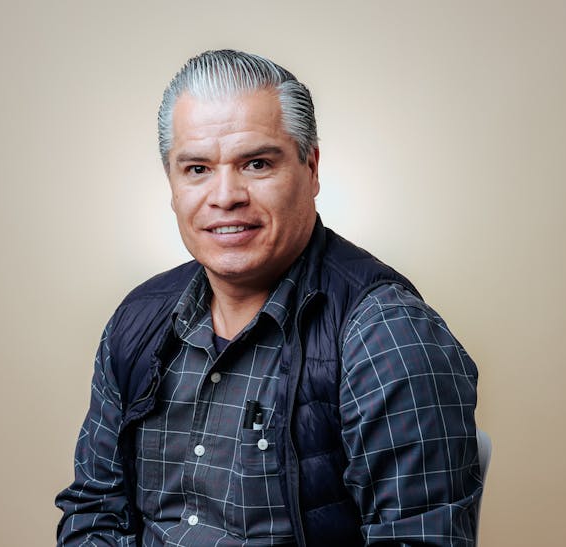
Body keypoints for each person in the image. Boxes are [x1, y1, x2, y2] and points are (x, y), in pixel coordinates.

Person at [56, 49, 482, 546]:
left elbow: (419, 538)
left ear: (312, 167)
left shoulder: (387, 336)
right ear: (171, 184)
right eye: (196, 169)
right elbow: (94, 511)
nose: (225, 196)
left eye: (256, 163)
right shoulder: (138, 321)